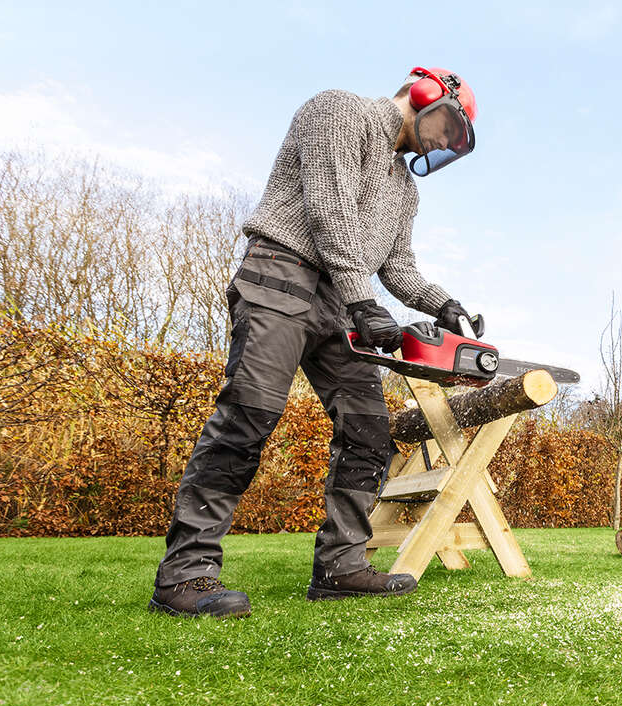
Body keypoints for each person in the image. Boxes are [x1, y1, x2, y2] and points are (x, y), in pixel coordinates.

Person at [149, 67, 483, 618]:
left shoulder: (404, 190)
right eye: (448, 127)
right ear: (425, 96)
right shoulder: (338, 111)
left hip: (338, 303)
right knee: (248, 417)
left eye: (453, 140)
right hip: (281, 274)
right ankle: (185, 574)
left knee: (369, 428)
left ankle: (340, 565)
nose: (445, 141)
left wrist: (443, 303)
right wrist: (362, 300)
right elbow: (329, 212)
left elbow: (397, 265)